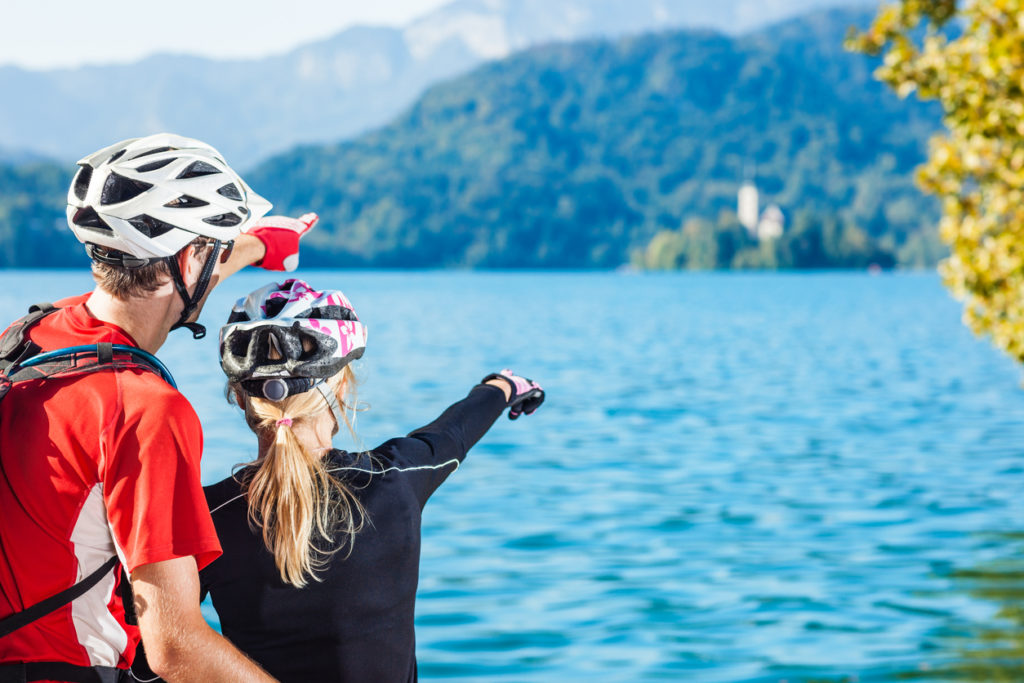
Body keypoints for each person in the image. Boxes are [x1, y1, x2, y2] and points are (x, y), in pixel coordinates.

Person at [0, 133, 321, 682]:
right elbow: (177, 648)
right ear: (191, 257)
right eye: (213, 248)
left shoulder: (29, 337)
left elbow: (166, 284)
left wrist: (257, 245)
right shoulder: (145, 410)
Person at [201, 278, 545, 682]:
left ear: (239, 396)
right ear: (343, 387)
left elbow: (151, 641)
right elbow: (453, 433)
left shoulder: (204, 516)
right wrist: (506, 385)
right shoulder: (395, 479)